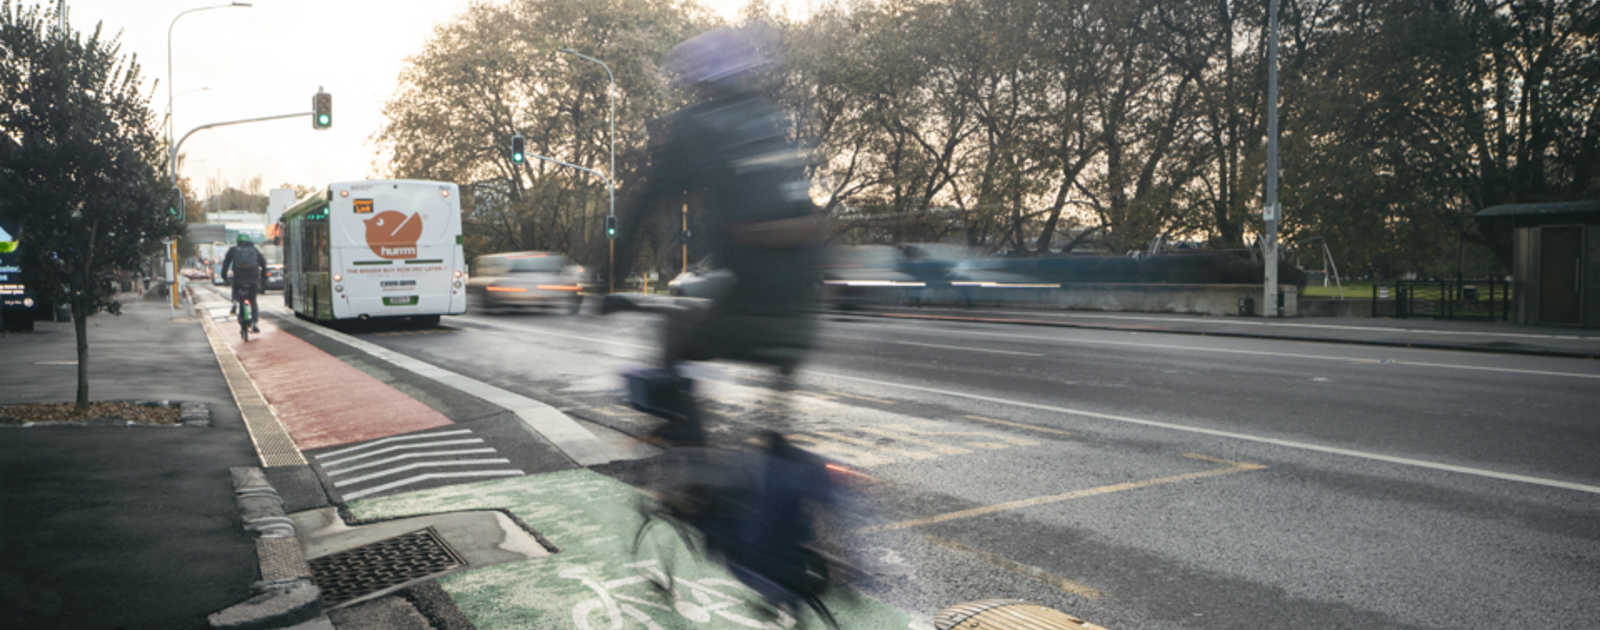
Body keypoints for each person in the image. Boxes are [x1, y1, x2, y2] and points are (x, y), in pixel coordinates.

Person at [608, 26, 827, 445]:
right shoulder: (771, 118)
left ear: (698, 80)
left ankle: (691, 455)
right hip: (804, 312)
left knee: (674, 337)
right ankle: (776, 442)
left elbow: (645, 202)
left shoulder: (696, 126)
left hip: (747, 304)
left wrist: (610, 277)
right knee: (779, 377)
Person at [221, 234, 266, 333]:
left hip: (239, 278)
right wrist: (263, 280)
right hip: (253, 278)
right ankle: (255, 323)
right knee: (253, 301)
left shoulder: (233, 250)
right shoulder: (254, 250)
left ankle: (235, 302)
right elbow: (263, 264)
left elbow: (226, 264)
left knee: (237, 291)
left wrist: (224, 277)